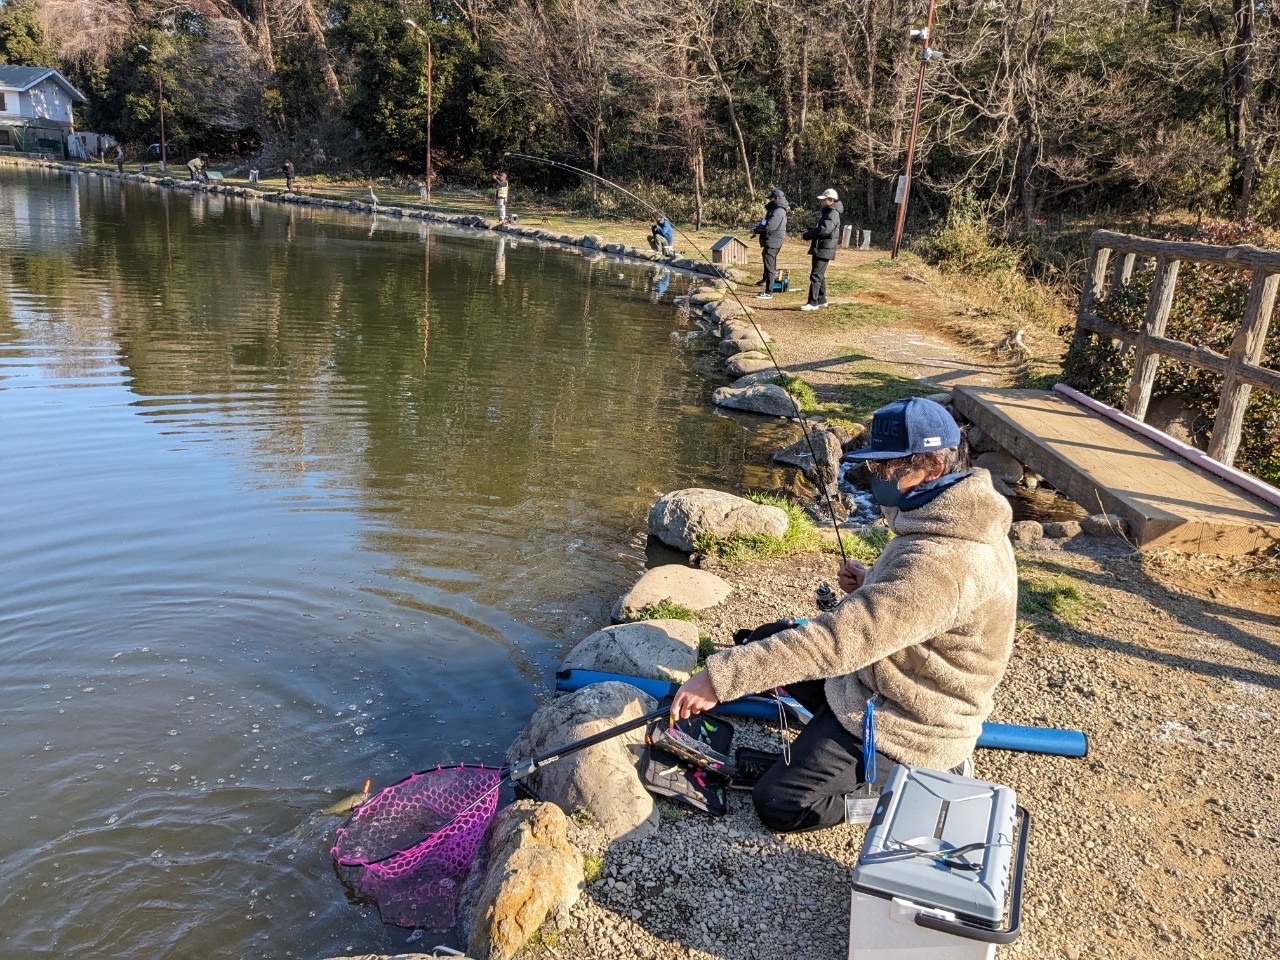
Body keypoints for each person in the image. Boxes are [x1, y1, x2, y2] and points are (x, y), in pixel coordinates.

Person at [670, 396, 1018, 833]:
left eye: (886, 468)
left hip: (910, 719)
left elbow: (838, 642)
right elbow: (923, 606)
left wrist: (717, 680)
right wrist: (873, 581)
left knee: (779, 802)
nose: (874, 477)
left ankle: (898, 793)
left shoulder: (945, 560)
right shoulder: (955, 513)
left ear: (929, 466)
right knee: (768, 638)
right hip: (881, 678)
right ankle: (832, 741)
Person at [800, 188, 842, 310]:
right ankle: (821, 299)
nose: (821, 202)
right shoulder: (828, 212)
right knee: (820, 275)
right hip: (822, 247)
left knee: (815, 276)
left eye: (824, 200)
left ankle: (812, 303)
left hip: (824, 248)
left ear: (831, 200)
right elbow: (822, 228)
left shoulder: (833, 213)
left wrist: (809, 234)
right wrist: (811, 229)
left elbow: (824, 230)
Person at [750, 188, 789, 299]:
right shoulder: (773, 210)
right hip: (771, 241)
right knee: (768, 261)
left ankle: (768, 292)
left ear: (777, 199)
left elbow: (769, 228)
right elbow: (766, 222)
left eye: (771, 198)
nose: (769, 200)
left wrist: (756, 230)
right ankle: (767, 282)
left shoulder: (778, 211)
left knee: (770, 265)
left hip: (773, 241)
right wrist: (759, 225)